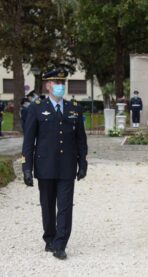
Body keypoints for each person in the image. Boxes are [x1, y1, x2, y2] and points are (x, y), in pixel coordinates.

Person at [21, 68, 88, 260]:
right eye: (57, 83)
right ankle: (49, 238)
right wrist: (27, 168)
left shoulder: (74, 107)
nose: (60, 86)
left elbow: (80, 139)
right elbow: (29, 142)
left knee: (65, 206)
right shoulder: (36, 107)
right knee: (47, 205)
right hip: (45, 166)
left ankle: (60, 244)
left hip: (67, 166)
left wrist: (82, 162)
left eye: (62, 83)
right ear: (48, 85)